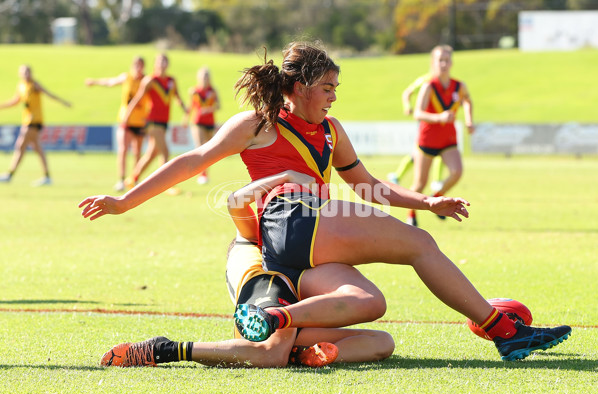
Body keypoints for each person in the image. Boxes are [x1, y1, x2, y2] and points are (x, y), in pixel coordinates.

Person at [79, 41, 571, 362]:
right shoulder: (259, 123)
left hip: (303, 246)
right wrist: (124, 201)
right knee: (419, 244)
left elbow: (368, 185)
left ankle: (278, 325)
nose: (333, 96)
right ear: (297, 87)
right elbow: (192, 159)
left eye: (336, 88)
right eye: (326, 87)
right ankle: (502, 330)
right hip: (290, 222)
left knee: (371, 305)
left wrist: (426, 199)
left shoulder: (333, 131)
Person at [97, 170, 395, 368]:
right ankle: (165, 349)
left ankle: (304, 355)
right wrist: (286, 177)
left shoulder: (299, 246)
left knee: (383, 342)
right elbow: (235, 201)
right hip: (264, 289)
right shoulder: (255, 239)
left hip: (284, 314)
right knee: (270, 354)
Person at [406, 45, 475, 227]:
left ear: (451, 62)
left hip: (448, 140)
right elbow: (417, 114)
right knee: (420, 183)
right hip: (427, 139)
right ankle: (411, 214)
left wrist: (469, 120)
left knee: (457, 172)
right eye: (440, 60)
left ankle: (437, 196)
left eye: (446, 60)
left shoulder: (459, 86)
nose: (443, 64)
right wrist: (439, 117)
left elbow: (467, 100)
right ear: (433, 63)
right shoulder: (429, 86)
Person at [122, 53, 188, 192]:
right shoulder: (150, 80)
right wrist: (126, 117)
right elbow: (137, 99)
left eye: (165, 60)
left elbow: (177, 96)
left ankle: (132, 179)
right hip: (153, 121)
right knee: (165, 151)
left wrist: (184, 108)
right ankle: (167, 185)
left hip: (164, 122)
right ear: (155, 64)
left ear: (168, 64)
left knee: (151, 154)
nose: (162, 63)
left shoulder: (172, 81)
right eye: (159, 61)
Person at [0, 65, 71, 186]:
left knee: (20, 145)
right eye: (23, 72)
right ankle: (47, 176)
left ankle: (10, 174)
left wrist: (63, 102)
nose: (26, 74)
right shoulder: (21, 86)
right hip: (26, 120)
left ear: (31, 73)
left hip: (34, 121)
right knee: (37, 148)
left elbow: (49, 94)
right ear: (20, 74)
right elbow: (15, 101)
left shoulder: (34, 85)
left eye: (28, 72)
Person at [85, 56, 148, 191]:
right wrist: (95, 82)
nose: (138, 67)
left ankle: (134, 180)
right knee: (123, 150)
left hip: (141, 120)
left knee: (137, 152)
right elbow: (110, 82)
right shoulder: (127, 78)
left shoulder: (146, 81)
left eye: (141, 65)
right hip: (126, 119)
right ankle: (121, 179)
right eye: (136, 64)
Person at [387, 72, 445, 193]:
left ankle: (437, 181)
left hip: (441, 123)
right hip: (426, 122)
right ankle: (397, 176)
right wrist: (407, 106)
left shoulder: (447, 83)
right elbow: (407, 92)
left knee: (441, 151)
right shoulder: (426, 80)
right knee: (419, 153)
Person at [189, 66, 220, 184]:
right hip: (197, 121)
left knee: (208, 149)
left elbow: (218, 106)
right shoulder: (194, 91)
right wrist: (185, 118)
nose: (205, 79)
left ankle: (205, 173)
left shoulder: (213, 91)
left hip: (209, 122)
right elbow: (191, 106)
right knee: (200, 146)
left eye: (207, 76)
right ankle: (201, 174)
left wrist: (208, 109)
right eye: (203, 76)